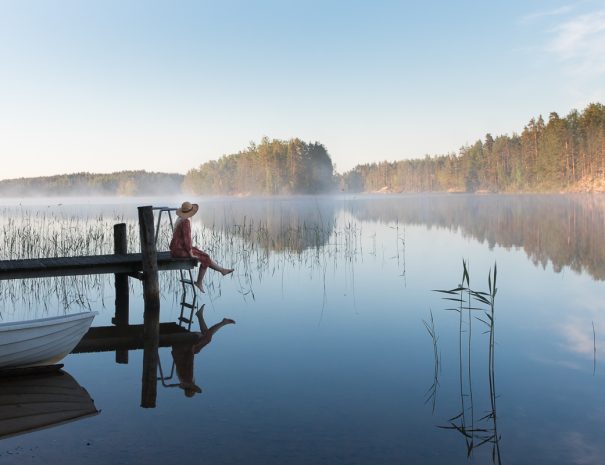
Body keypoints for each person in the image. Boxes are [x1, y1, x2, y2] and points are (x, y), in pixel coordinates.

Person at [171, 304, 235, 397]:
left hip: (183, 348)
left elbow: (189, 361)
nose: (194, 384)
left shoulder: (187, 378)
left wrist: (192, 347)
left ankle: (221, 322)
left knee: (206, 337)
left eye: (192, 387)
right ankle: (204, 317)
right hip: (182, 350)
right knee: (206, 337)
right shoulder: (183, 379)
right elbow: (184, 361)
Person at [170, 201, 234, 292]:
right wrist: (190, 253)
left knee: (204, 256)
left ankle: (222, 270)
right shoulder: (185, 222)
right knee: (205, 257)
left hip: (176, 249)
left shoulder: (180, 219)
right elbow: (187, 240)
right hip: (180, 250)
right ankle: (200, 282)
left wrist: (191, 249)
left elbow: (184, 241)